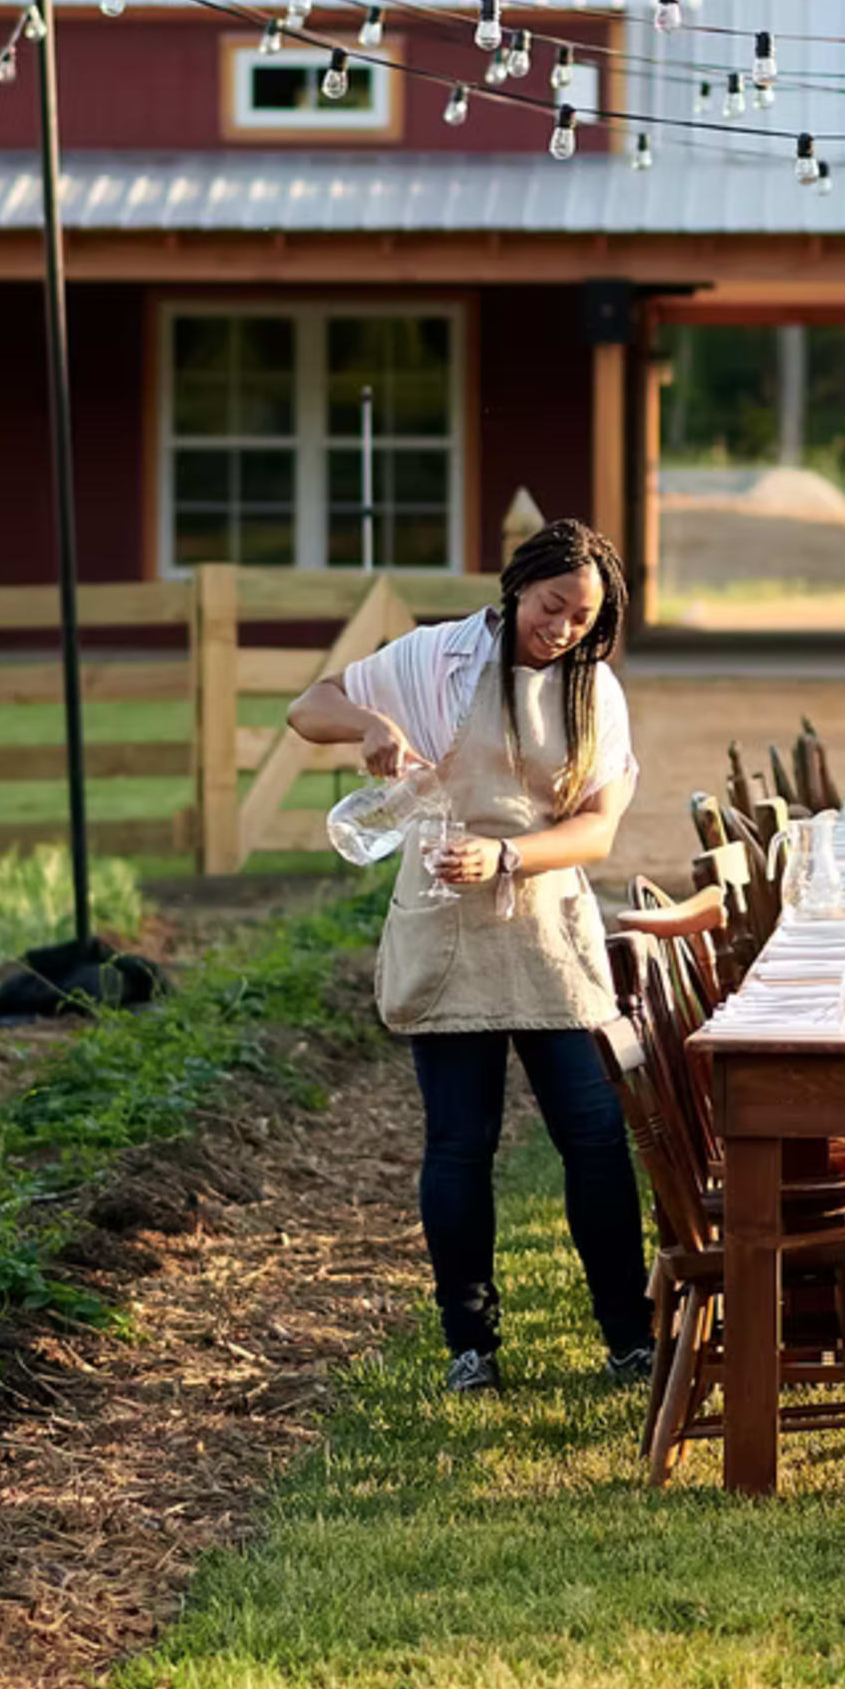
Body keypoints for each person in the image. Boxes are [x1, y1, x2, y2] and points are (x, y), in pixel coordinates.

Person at [286, 518, 653, 1394]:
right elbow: (308, 707)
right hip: (446, 922)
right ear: (518, 584)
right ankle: (472, 1349)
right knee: (459, 1145)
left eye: (580, 617)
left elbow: (598, 828)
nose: (561, 627)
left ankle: (630, 1338)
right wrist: (371, 724)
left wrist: (510, 855)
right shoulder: (437, 657)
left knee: (596, 1139)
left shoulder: (593, 691)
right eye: (550, 605)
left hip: (546, 928)